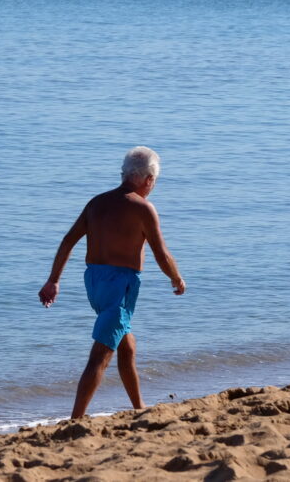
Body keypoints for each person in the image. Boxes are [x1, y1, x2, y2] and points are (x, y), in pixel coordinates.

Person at [39, 147, 186, 419]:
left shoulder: (96, 203)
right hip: (120, 285)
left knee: (126, 344)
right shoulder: (143, 208)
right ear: (149, 179)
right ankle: (76, 419)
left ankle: (139, 409)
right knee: (101, 355)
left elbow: (68, 241)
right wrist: (175, 277)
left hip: (94, 283)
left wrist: (53, 281)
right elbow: (161, 253)